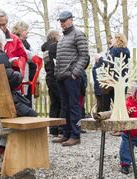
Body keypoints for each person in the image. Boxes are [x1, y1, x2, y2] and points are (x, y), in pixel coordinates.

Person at [52, 11, 89, 146]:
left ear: (71, 20)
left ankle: (75, 135)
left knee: (74, 107)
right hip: (61, 77)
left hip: (72, 77)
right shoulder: (62, 38)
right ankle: (66, 134)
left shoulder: (78, 34)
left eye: (64, 20)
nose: (62, 23)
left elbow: (84, 56)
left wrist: (75, 73)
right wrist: (57, 74)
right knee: (65, 106)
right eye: (60, 21)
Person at [0, 9, 28, 86]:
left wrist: (18, 63)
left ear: (7, 23)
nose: (1, 28)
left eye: (3, 25)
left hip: (12, 80)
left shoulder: (15, 39)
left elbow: (23, 56)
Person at [41, 30, 62, 137]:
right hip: (55, 76)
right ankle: (61, 127)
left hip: (49, 76)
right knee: (62, 101)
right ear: (55, 36)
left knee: (54, 103)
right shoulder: (55, 47)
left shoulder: (45, 48)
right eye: (59, 35)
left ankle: (53, 129)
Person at [12, 21, 37, 106]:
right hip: (22, 76)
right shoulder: (16, 41)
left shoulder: (26, 43)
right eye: (26, 30)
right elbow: (25, 54)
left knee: (27, 99)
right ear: (20, 30)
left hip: (28, 76)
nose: (27, 32)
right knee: (24, 100)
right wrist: (35, 57)